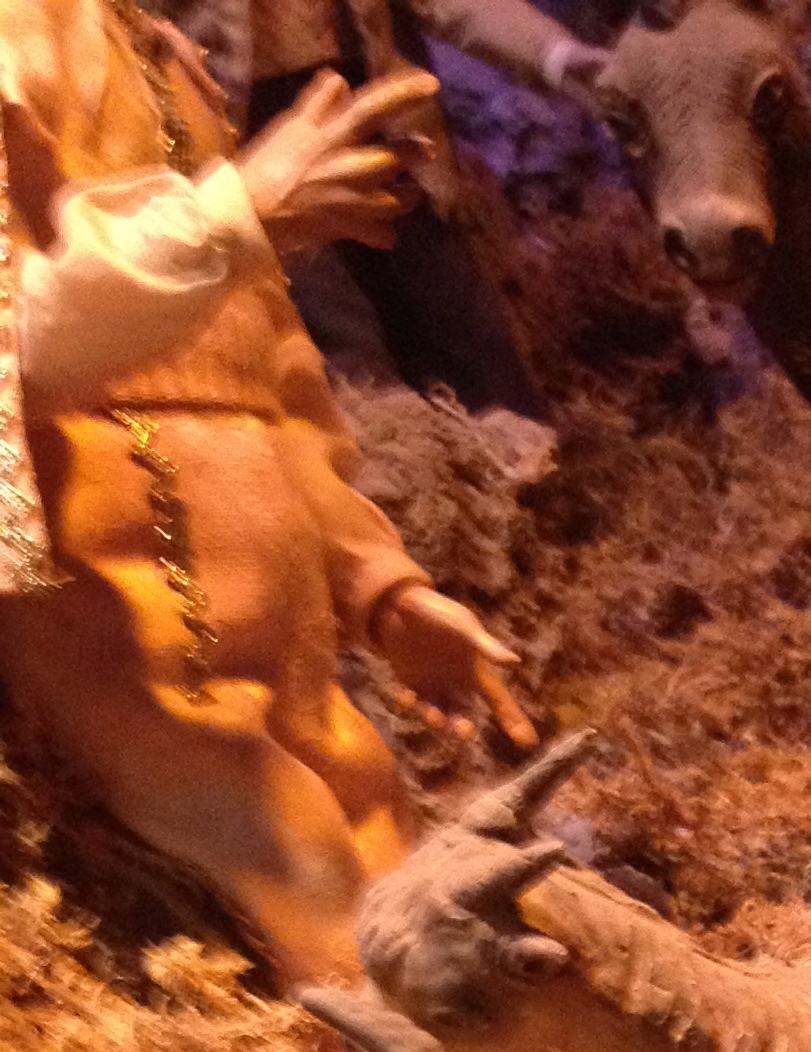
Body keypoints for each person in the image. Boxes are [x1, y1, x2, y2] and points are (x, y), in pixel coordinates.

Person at [0, 0, 530, 993]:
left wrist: (379, 586)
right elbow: (20, 330)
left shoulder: (154, 55)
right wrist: (228, 220)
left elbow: (280, 374)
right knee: (291, 853)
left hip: (279, 604)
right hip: (117, 595)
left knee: (378, 821)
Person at [163, 0, 603, 422]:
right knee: (344, 354)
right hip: (249, 140)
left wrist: (555, 54)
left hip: (377, 110)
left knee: (468, 332)